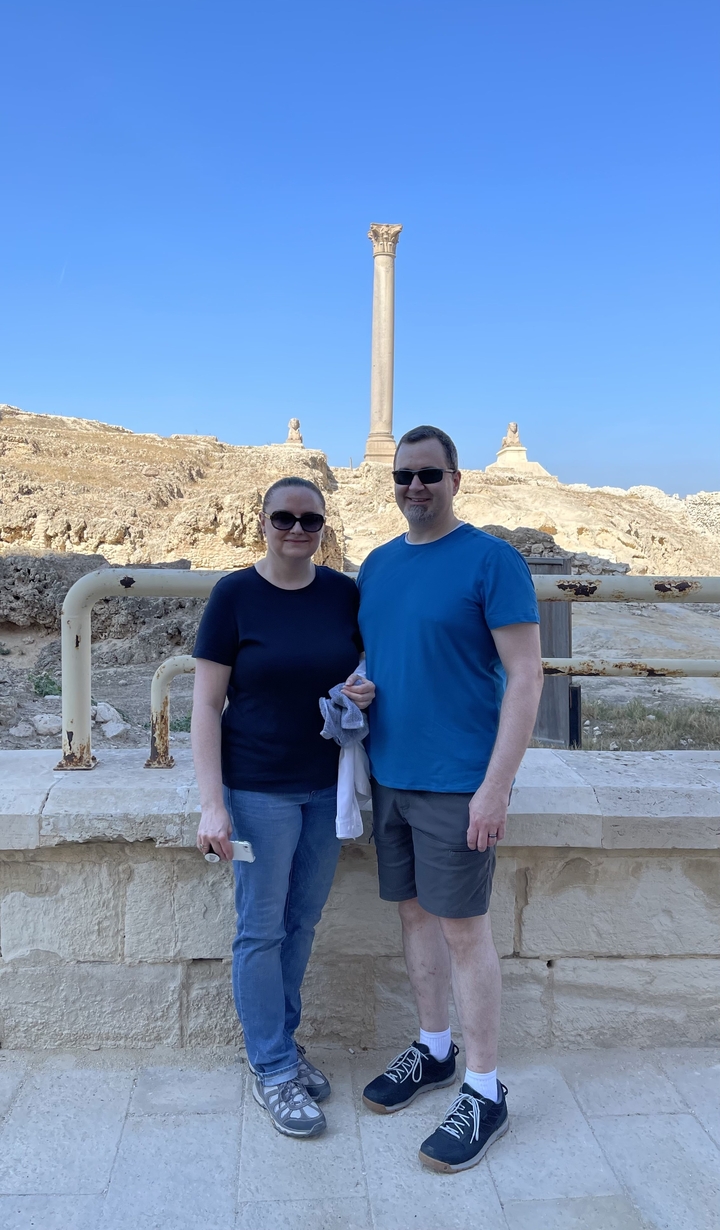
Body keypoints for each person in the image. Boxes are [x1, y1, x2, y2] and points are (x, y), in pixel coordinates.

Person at [357, 425, 543, 1174]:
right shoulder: (376, 566)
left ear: (456, 480)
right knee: (413, 918)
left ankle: (487, 1090)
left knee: (465, 933)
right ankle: (435, 1050)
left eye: (429, 474)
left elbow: (527, 676)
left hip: (459, 782)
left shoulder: (492, 560)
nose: (415, 487)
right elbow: (380, 654)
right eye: (404, 475)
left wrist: (496, 786)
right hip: (390, 775)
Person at [191, 475, 375, 1139]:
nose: (297, 530)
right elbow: (207, 706)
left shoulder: (343, 595)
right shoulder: (234, 595)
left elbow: (368, 663)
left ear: (324, 527)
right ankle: (271, 1066)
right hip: (258, 789)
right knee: (260, 928)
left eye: (310, 520)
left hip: (328, 790)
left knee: (300, 923)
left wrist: (361, 689)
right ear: (261, 521)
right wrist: (213, 806)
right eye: (284, 518)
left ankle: (282, 1045)